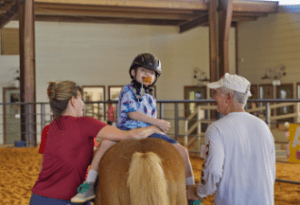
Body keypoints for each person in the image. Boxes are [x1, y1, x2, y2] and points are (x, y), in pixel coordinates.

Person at [72, 53, 198, 203]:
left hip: (149, 133)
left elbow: (151, 123)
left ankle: (190, 189)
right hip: (127, 130)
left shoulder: (151, 98)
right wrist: (156, 121)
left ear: (155, 78)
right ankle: (89, 184)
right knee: (104, 145)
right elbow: (132, 113)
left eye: (151, 73)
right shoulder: (127, 90)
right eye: (143, 71)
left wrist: (157, 126)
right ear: (133, 73)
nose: (147, 75)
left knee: (183, 151)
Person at [29, 81, 160, 205]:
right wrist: (154, 127)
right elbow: (130, 135)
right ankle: (88, 186)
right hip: (66, 200)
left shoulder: (49, 128)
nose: (83, 104)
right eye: (81, 99)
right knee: (109, 139)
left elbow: (44, 168)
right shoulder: (85, 124)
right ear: (73, 101)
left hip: (37, 198)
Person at [188, 73, 276, 205]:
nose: (214, 97)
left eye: (217, 93)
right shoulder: (263, 127)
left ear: (228, 98)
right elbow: (271, 172)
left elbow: (213, 170)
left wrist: (199, 192)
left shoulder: (216, 129)